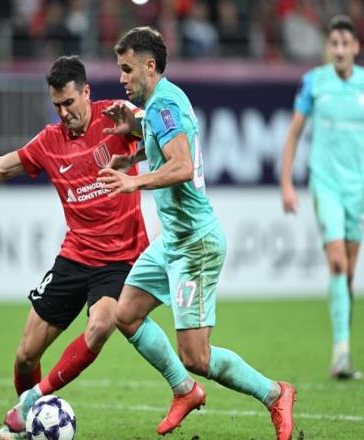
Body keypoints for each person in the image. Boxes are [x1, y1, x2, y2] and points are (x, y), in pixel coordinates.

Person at [0, 56, 149, 440]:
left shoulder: (116, 116)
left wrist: (137, 128)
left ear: (86, 92)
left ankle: (27, 407)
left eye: (69, 102)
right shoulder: (49, 142)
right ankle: (28, 422)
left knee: (101, 325)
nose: (64, 112)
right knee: (25, 356)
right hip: (75, 256)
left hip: (121, 258)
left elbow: (162, 132)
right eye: (57, 105)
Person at [97, 26, 296, 440]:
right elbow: (165, 143)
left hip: (194, 244)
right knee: (125, 314)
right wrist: (133, 147)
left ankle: (275, 394)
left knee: (196, 357)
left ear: (149, 66)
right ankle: (184, 391)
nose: (121, 78)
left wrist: (134, 180)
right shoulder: (159, 105)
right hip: (171, 241)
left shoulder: (164, 104)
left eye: (127, 69)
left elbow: (182, 165)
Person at [280, 15, 364, 380]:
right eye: (334, 44)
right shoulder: (314, 83)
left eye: (346, 43)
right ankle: (341, 354)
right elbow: (294, 133)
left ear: (356, 47)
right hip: (325, 184)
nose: (340, 50)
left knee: (349, 274)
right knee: (339, 264)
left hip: (357, 188)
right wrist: (286, 183)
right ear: (328, 48)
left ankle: (343, 348)